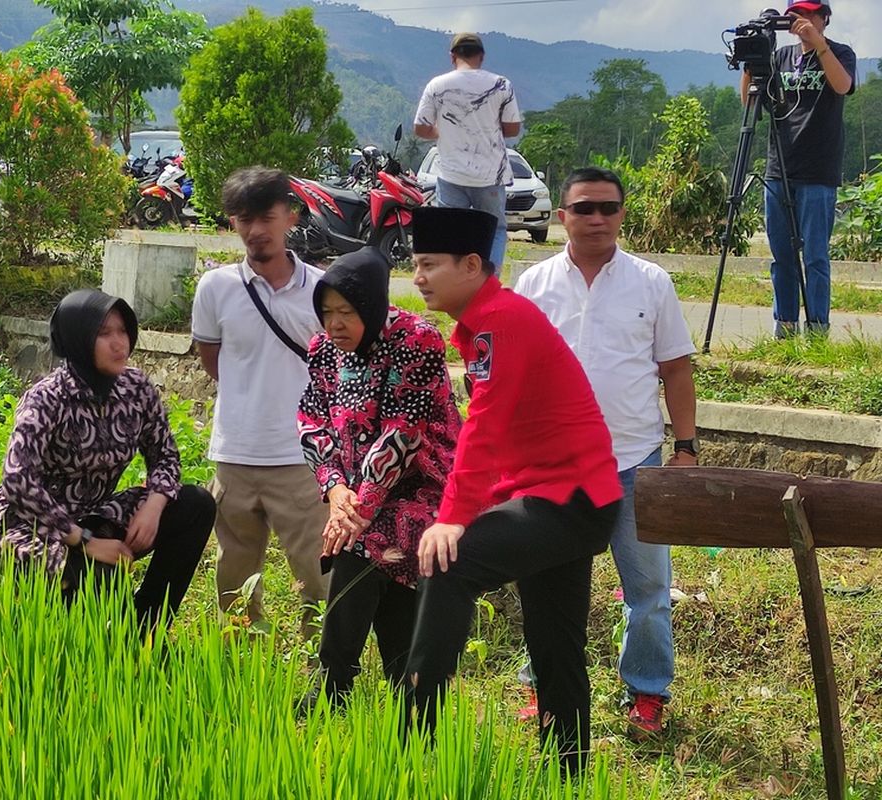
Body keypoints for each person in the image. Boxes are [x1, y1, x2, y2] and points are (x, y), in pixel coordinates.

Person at [403, 206, 622, 774]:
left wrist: (454, 517)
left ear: (472, 264)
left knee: (450, 561)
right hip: (556, 496)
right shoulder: (486, 323)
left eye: (429, 264)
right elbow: (499, 431)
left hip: (570, 497)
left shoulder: (501, 319)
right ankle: (567, 772)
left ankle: (410, 741)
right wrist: (478, 505)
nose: (418, 277)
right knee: (554, 640)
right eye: (414, 264)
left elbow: (485, 424)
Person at [514, 166, 698, 740]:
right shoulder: (532, 285)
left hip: (633, 463)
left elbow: (675, 368)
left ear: (622, 214)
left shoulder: (651, 282)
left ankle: (646, 691)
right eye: (585, 207)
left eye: (609, 208)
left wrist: (686, 449)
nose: (597, 218)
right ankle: (543, 683)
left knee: (647, 590)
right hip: (552, 467)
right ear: (561, 215)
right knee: (544, 582)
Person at [296, 247, 461, 710]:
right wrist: (334, 488)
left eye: (346, 312)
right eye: (326, 312)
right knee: (379, 566)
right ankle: (408, 695)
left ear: (371, 305)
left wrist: (356, 512)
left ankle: (335, 684)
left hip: (425, 484)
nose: (334, 325)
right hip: (354, 489)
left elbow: (402, 434)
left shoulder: (418, 341)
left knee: (365, 548)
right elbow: (312, 418)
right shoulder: (323, 350)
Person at [0, 290, 215, 630]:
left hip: (95, 512)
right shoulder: (48, 397)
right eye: (104, 333)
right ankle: (100, 639)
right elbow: (17, 479)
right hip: (34, 525)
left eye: (123, 331)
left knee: (195, 504)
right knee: (88, 573)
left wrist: (154, 506)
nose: (119, 343)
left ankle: (145, 626)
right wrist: (83, 540)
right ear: (77, 339)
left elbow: (165, 455)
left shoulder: (135, 387)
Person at [191, 166, 329, 636]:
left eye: (265, 217)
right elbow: (214, 361)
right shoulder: (216, 288)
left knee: (316, 571)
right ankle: (245, 653)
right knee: (234, 572)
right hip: (234, 454)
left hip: (300, 459)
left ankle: (322, 665)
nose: (254, 230)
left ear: (290, 216)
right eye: (242, 219)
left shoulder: (320, 290)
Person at [739, 0, 855, 337]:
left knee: (815, 255)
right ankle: (785, 326)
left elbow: (842, 85)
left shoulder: (840, 52)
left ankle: (818, 329)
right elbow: (750, 102)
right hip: (780, 167)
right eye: (796, 15)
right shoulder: (780, 57)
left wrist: (818, 45)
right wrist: (753, 59)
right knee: (782, 256)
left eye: (809, 14)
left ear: (824, 18)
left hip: (819, 168)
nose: (801, 21)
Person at [414, 32, 522, 271]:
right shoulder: (501, 84)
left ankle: (456, 283)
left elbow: (420, 127)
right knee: (494, 229)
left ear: (452, 57)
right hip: (490, 176)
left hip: (451, 174)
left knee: (452, 232)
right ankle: (487, 284)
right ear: (481, 57)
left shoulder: (437, 85)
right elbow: (513, 129)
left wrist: (441, 132)